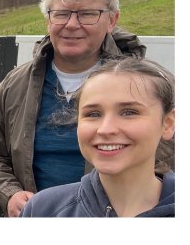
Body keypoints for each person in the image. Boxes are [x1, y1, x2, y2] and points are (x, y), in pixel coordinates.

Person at [0, 0, 148, 217]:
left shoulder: (146, 86)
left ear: (112, 20)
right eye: (61, 14)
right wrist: (10, 193)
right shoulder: (14, 85)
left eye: (87, 14)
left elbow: (168, 161)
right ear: (48, 21)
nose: (72, 25)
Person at [20, 58, 175, 218]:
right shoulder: (43, 209)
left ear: (168, 124)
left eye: (129, 112)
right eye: (93, 114)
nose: (106, 129)